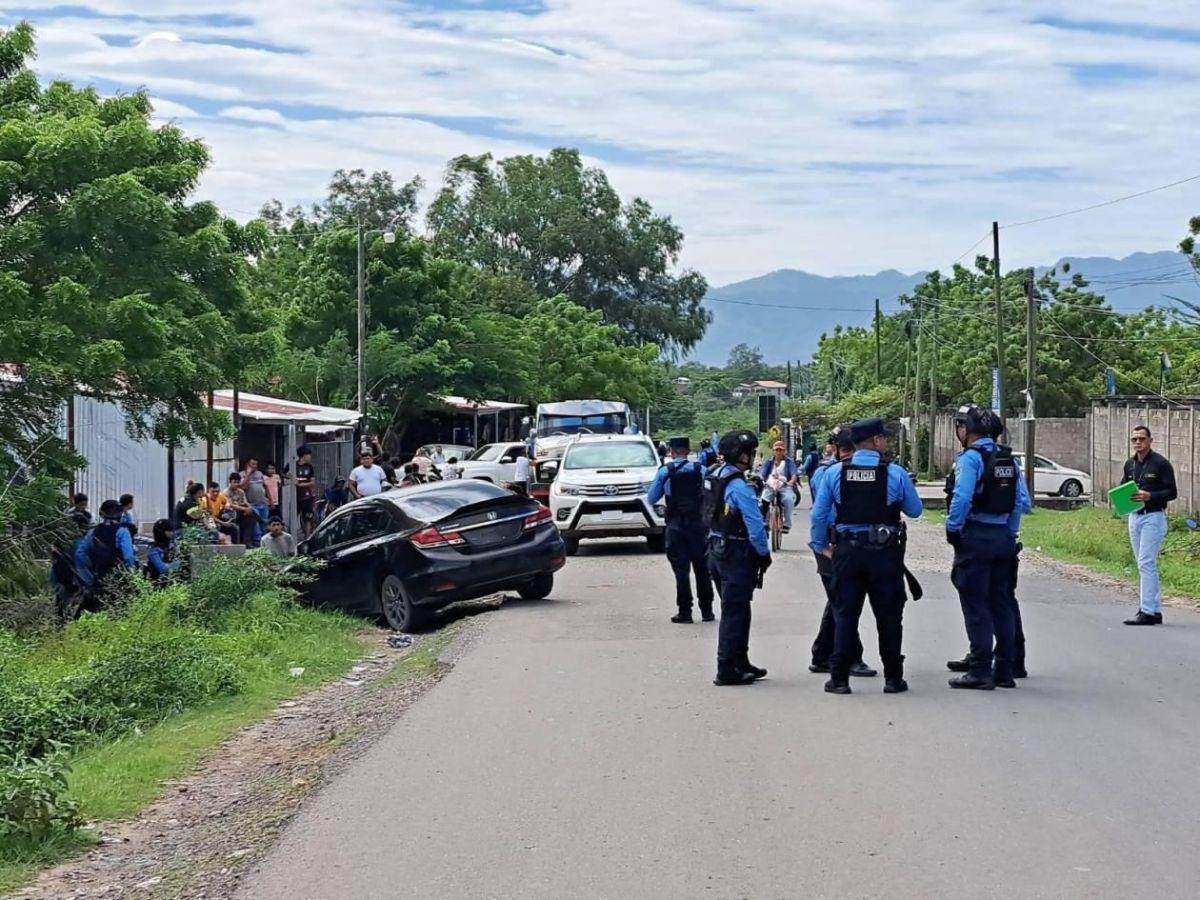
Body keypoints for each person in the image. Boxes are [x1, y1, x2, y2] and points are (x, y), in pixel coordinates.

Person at [810, 418, 923, 695]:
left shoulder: (835, 473)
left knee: (845, 614)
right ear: (875, 441)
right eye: (884, 438)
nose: (886, 442)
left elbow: (818, 515)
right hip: (884, 553)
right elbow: (915, 510)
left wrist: (821, 546)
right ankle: (893, 678)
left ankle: (838, 679)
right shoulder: (895, 473)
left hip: (848, 551)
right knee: (889, 616)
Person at [943, 405, 1031, 690]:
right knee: (1001, 604)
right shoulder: (1007, 458)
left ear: (965, 430)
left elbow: (962, 497)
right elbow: (1021, 502)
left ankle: (980, 669)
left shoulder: (971, 458)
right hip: (1003, 539)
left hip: (976, 536)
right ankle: (1004, 670)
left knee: (976, 604)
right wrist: (1008, 532)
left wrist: (953, 528)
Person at [704, 430, 772, 686]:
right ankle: (726, 668)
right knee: (734, 611)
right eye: (750, 453)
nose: (752, 457)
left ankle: (741, 661)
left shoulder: (713, 474)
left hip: (715, 549)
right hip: (735, 553)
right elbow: (755, 525)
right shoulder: (739, 486)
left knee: (739, 609)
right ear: (739, 455)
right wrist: (763, 554)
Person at [808, 424, 876, 678]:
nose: (848, 454)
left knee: (837, 600)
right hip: (832, 544)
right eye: (844, 449)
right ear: (835, 449)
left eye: (851, 448)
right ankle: (852, 657)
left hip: (838, 544)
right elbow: (825, 513)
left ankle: (821, 653)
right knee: (844, 604)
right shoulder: (828, 473)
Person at [647, 436, 718, 624]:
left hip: (676, 526)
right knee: (702, 569)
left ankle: (685, 612)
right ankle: (707, 611)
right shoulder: (701, 470)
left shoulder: (665, 472)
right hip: (699, 526)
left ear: (671, 452)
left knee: (681, 570)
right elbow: (713, 495)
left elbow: (652, 498)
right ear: (687, 451)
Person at [1121, 425, 1178, 626]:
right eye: (1134, 439)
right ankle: (1154, 610)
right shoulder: (1130, 464)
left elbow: (1172, 492)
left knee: (1146, 562)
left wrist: (1150, 495)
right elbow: (1123, 487)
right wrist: (1121, 498)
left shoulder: (1161, 464)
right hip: (1134, 516)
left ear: (1150, 441)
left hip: (1153, 516)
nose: (1138, 442)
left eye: (1142, 439)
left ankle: (1146, 610)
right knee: (1143, 564)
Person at [74, 499, 136, 608]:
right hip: (119, 580)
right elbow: (128, 557)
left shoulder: (93, 532)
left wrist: (89, 578)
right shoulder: (123, 531)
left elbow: (80, 555)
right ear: (120, 513)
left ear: (102, 514)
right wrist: (132, 577)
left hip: (98, 579)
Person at [759, 440, 799, 533]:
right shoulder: (768, 462)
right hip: (770, 486)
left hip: (785, 486)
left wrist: (791, 482)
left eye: (780, 450)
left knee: (788, 500)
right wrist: (761, 480)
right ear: (773, 451)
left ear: (784, 451)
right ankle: (764, 521)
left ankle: (787, 524)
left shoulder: (789, 462)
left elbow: (794, 474)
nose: (778, 452)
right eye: (776, 450)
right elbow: (762, 473)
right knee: (763, 500)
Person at [241, 457, 270, 546]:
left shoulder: (259, 473)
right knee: (255, 525)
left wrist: (270, 500)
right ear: (247, 465)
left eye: (256, 464)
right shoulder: (242, 474)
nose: (255, 466)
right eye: (252, 464)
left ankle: (265, 543)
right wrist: (248, 474)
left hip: (263, 503)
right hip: (252, 504)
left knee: (264, 523)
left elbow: (265, 487)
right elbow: (243, 487)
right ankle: (257, 543)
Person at [224, 472, 255, 547]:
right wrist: (245, 509)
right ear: (230, 482)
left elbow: (245, 502)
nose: (236, 484)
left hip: (241, 512)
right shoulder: (226, 492)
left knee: (251, 518)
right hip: (230, 514)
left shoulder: (241, 491)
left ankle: (246, 542)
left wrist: (250, 508)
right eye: (234, 482)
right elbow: (232, 505)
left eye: (238, 482)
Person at [295, 446, 317, 537]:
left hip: (307, 497)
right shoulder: (293, 465)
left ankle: (307, 537)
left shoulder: (310, 467)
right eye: (309, 455)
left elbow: (312, 482)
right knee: (294, 515)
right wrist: (290, 478)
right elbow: (284, 473)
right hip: (295, 497)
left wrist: (301, 485)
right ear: (304, 456)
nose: (310, 457)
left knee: (308, 517)